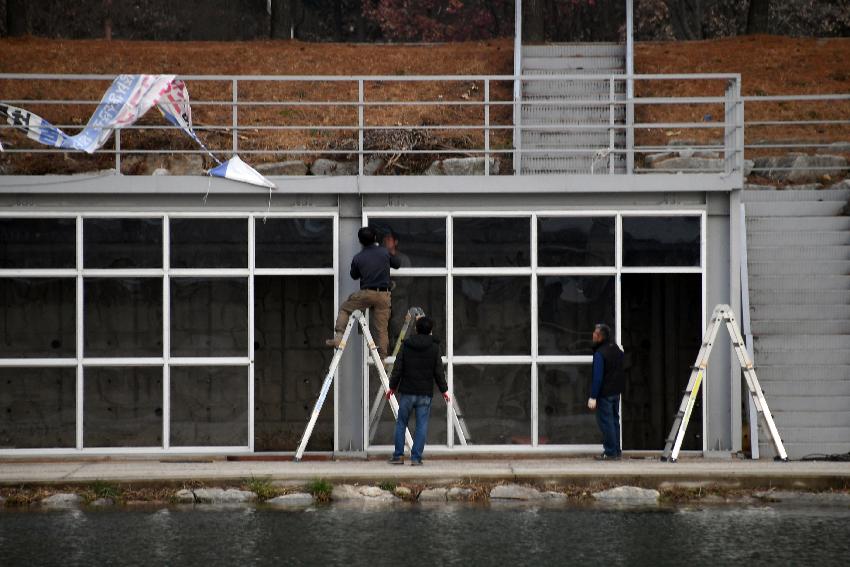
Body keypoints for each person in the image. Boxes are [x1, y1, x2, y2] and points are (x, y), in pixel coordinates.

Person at [326, 226, 400, 360]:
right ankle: (382, 358)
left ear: (360, 241)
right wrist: (389, 252)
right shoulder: (384, 253)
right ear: (376, 238)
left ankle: (338, 337)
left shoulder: (358, 257)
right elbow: (397, 263)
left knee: (345, 308)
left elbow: (354, 275)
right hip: (384, 295)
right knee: (381, 329)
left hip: (366, 294)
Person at [386, 316, 449, 466]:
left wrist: (392, 387)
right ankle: (416, 458)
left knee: (401, 423)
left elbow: (398, 368)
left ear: (416, 329)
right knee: (422, 425)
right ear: (431, 331)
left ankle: (398, 456)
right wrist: (444, 390)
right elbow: (439, 372)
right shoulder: (434, 348)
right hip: (424, 394)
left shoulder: (406, 345)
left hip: (407, 392)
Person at [587, 323, 625, 460]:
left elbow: (597, 377)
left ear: (600, 336)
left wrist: (593, 396)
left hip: (605, 394)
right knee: (614, 421)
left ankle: (610, 452)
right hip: (616, 392)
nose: (592, 335)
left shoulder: (600, 354)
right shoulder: (616, 349)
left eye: (595, 333)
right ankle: (616, 451)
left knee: (606, 422)